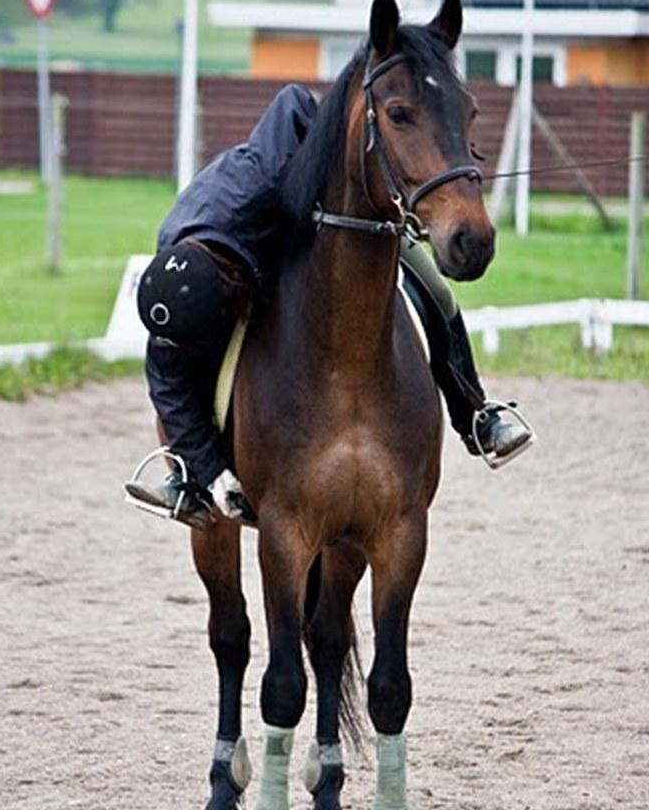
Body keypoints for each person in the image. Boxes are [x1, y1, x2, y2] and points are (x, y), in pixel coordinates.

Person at [125, 83, 533, 529]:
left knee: (433, 287)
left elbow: (293, 100)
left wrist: (325, 166)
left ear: (230, 280)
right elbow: (168, 382)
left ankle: (475, 415)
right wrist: (213, 475)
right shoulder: (172, 279)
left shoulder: (264, 174)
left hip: (345, 212)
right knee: (194, 372)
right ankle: (187, 476)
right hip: (249, 254)